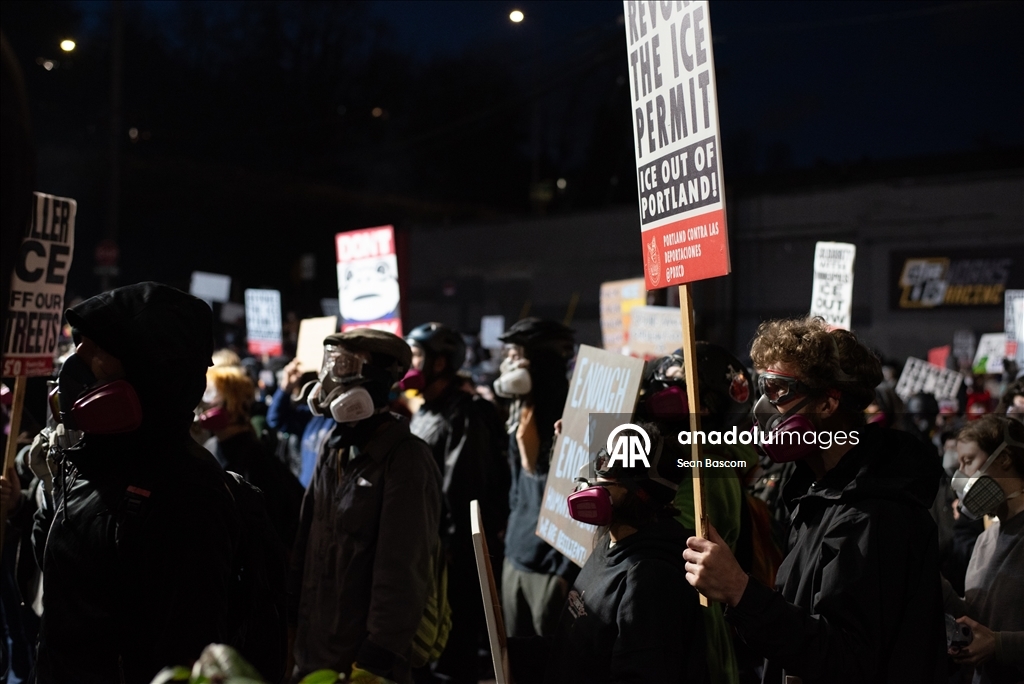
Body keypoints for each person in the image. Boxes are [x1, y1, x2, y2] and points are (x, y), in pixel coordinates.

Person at [682, 316, 946, 684]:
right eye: (762, 388)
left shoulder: (872, 514)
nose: (763, 408)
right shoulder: (818, 493)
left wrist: (740, 591)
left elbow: (845, 659)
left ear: (827, 403)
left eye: (778, 390)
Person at [29, 282, 241, 684]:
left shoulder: (189, 494)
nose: (76, 360)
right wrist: (47, 494)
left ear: (147, 371)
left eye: (95, 349)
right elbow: (63, 580)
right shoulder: (93, 461)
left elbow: (183, 658)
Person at [288, 329, 442, 684]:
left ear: (379, 377)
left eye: (343, 365)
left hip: (360, 661)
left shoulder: (406, 460)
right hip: (315, 648)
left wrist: (375, 658)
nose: (329, 378)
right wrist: (292, 622)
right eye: (329, 364)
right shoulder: (334, 447)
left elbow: (403, 571)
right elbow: (306, 541)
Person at [508, 423, 707, 683]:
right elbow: (578, 651)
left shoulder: (650, 578)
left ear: (640, 491)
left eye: (606, 469)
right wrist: (508, 650)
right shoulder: (613, 543)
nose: (591, 477)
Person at [637, 343, 772, 684]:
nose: (659, 395)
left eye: (677, 386)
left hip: (693, 630)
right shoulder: (673, 456)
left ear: (706, 408)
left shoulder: (709, 469)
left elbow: (670, 544)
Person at [406, 322, 507, 683]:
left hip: (452, 556)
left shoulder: (466, 413)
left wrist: (449, 543)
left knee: (452, 650)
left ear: (439, 363)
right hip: (426, 547)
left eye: (416, 356)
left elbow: (463, 486)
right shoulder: (426, 410)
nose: (409, 365)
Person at [497, 318, 579, 638]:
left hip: (551, 569)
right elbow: (518, 488)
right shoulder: (523, 411)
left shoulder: (570, 416)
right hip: (518, 556)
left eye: (517, 355)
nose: (510, 363)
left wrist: (564, 573)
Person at [943, 415, 1024, 684]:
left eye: (968, 461)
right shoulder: (985, 540)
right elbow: (981, 619)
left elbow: (995, 638)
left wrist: (1000, 646)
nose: (960, 477)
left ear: (1005, 458)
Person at [201, 364, 303, 548]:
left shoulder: (254, 457)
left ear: (232, 402)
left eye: (211, 394)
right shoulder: (212, 446)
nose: (204, 403)